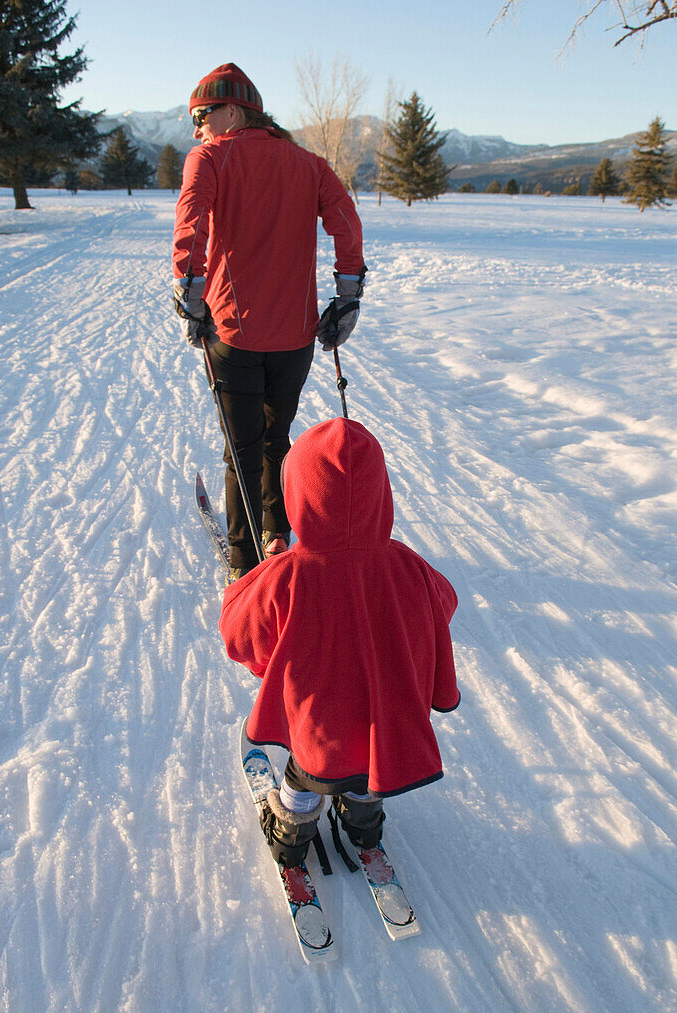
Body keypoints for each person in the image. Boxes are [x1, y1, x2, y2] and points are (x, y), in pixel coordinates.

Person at [218, 417, 461, 868]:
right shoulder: (408, 566)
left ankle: (291, 834)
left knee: (306, 771)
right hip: (383, 707)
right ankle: (364, 820)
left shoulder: (286, 575)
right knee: (368, 759)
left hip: (315, 710)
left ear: (299, 493)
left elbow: (240, 634)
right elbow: (442, 605)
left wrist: (263, 591)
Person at [172, 63, 366, 580]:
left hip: (233, 333)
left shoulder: (210, 157)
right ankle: (275, 533)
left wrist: (189, 293)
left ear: (234, 110)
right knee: (277, 441)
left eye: (202, 114)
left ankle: (243, 566)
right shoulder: (309, 164)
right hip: (296, 336)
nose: (197, 127)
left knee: (242, 449)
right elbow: (346, 221)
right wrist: (348, 295)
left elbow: (191, 221)